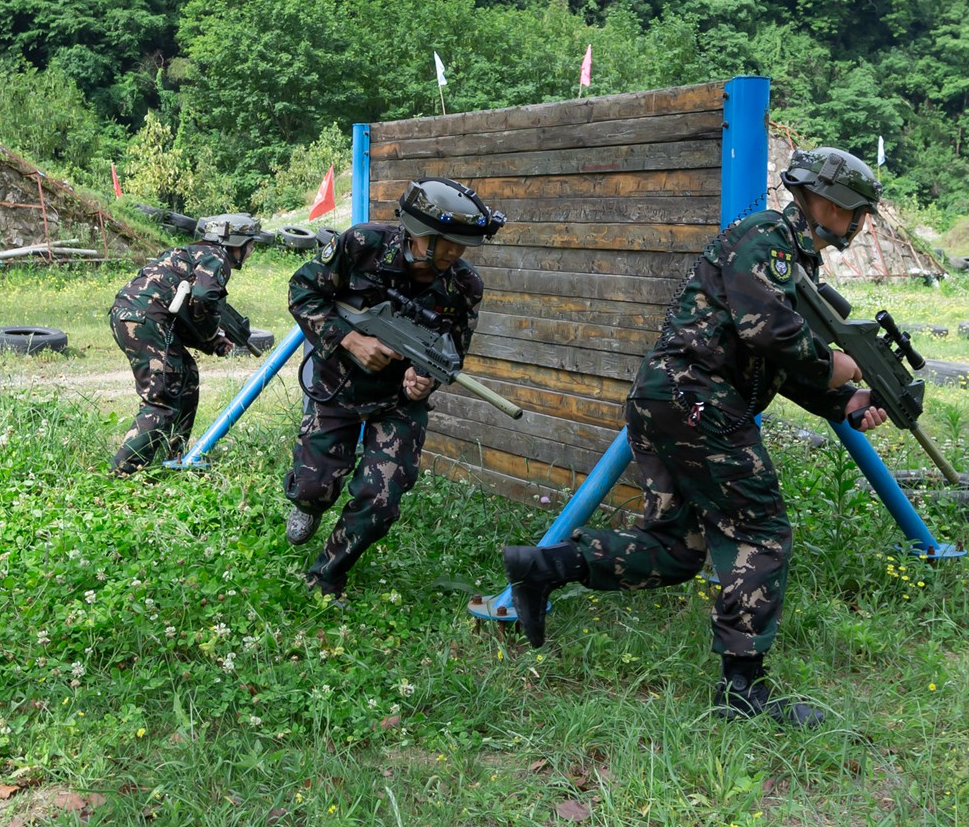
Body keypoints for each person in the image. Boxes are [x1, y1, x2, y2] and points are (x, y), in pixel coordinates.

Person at [500, 146, 890, 726]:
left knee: (678, 549)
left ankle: (544, 569)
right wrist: (840, 365)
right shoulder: (768, 237)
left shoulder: (794, 260)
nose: (858, 224)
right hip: (697, 402)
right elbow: (768, 333)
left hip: (672, 401)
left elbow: (771, 363)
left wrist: (844, 400)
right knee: (760, 532)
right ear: (831, 203)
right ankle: (743, 692)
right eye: (857, 211)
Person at [283, 177, 502, 600]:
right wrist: (350, 339)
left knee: (380, 501)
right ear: (418, 233)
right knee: (313, 489)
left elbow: (452, 352)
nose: (456, 253)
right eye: (448, 243)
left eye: (462, 245)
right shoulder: (362, 245)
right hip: (337, 384)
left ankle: (325, 577)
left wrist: (423, 381)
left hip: (397, 402)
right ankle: (308, 505)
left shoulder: (465, 285)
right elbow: (303, 292)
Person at [107, 212, 262, 475]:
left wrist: (210, 342)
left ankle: (177, 456)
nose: (251, 251)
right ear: (237, 244)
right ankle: (122, 473)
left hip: (130, 315)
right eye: (251, 244)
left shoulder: (190, 252)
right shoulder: (216, 258)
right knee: (162, 398)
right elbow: (203, 298)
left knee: (187, 376)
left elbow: (182, 310)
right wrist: (211, 336)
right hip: (147, 320)